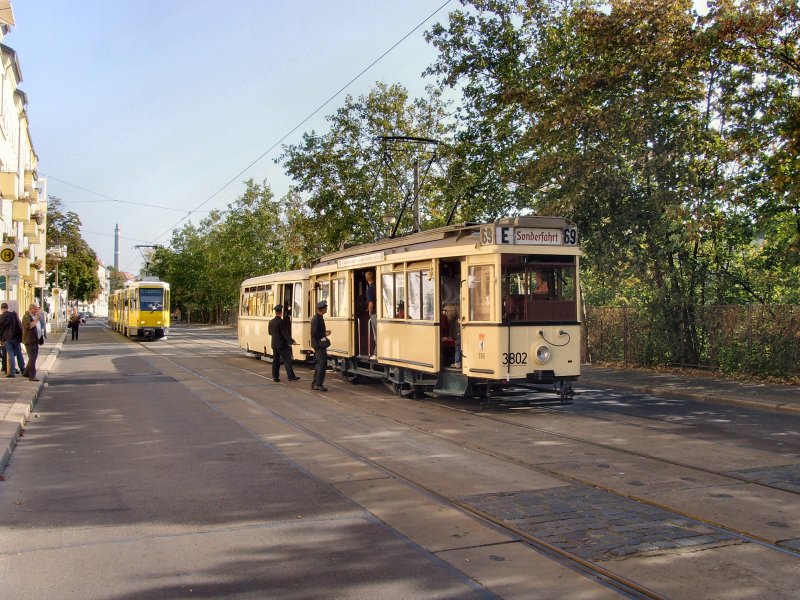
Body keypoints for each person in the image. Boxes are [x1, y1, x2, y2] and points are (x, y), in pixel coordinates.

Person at [268, 305, 299, 382]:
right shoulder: (281, 322)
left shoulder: (271, 321)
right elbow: (285, 333)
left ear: (276, 312)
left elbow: (269, 332)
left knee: (275, 361)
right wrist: (292, 341)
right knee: (287, 360)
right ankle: (291, 376)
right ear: (281, 312)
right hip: (281, 345)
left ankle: (275, 377)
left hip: (274, 344)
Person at [310, 300, 331, 391]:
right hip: (319, 344)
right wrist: (324, 333)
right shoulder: (316, 319)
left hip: (319, 344)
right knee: (322, 364)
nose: (327, 308)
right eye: (325, 307)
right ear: (322, 309)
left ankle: (315, 383)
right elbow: (314, 333)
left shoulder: (319, 317)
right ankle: (318, 384)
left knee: (319, 364)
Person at [0, 302, 25, 377]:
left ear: (1, 309)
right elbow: (19, 325)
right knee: (19, 353)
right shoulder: (14, 315)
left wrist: (1, 339)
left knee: (10, 354)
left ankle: (12, 372)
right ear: (7, 308)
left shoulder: (1, 317)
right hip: (16, 337)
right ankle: (23, 369)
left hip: (7, 338)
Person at [21, 304, 40, 382]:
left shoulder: (33, 316)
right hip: (29, 340)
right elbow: (29, 326)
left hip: (35, 340)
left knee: (33, 357)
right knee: (32, 358)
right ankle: (32, 376)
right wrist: (37, 320)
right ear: (31, 309)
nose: (37, 311)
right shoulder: (26, 317)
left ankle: (26, 372)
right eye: (35, 309)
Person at [365, 271, 376, 359]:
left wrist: (369, 313)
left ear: (367, 279)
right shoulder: (377, 286)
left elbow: (371, 304)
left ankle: (376, 353)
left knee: (376, 334)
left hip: (374, 314)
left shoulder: (369, 289)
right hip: (379, 312)